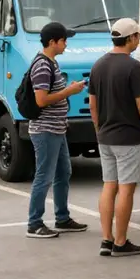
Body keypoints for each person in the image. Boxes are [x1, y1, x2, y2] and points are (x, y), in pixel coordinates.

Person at [88, 18, 140, 257]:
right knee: (126, 190)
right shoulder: (133, 67)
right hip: (129, 137)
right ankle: (121, 242)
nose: (139, 40)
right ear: (130, 38)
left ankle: (106, 239)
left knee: (109, 185)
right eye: (138, 36)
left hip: (106, 136)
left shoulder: (98, 65)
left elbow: (93, 103)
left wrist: (99, 128)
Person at [26, 22, 88, 238]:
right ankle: (34, 223)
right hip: (45, 130)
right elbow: (41, 100)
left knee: (64, 172)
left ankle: (62, 218)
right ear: (52, 42)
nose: (66, 44)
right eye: (63, 40)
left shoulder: (52, 63)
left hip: (57, 128)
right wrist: (70, 91)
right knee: (44, 176)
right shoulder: (43, 66)